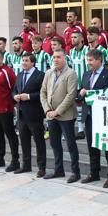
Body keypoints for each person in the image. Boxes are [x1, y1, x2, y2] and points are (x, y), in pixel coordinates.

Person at [78, 49, 108, 187]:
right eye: (87, 60)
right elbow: (80, 94)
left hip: (104, 117)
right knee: (92, 147)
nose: (88, 63)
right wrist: (81, 93)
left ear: (99, 60)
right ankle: (94, 173)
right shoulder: (86, 74)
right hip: (89, 116)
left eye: (90, 60)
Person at [41, 49, 79, 181]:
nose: (55, 59)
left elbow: (71, 95)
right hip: (50, 115)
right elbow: (43, 92)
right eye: (54, 57)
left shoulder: (71, 73)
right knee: (54, 143)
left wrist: (57, 111)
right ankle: (59, 170)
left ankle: (75, 172)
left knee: (70, 144)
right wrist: (47, 110)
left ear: (64, 58)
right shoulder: (49, 73)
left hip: (66, 115)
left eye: (58, 57)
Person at [12, 53, 46, 177]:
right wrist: (15, 96)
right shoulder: (20, 75)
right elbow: (15, 89)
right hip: (21, 114)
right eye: (23, 60)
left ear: (32, 62)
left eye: (26, 60)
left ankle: (42, 168)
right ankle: (26, 165)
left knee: (39, 142)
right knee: (24, 141)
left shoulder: (40, 75)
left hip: (35, 114)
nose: (24, 63)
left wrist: (29, 96)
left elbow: (43, 93)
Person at [69, 31, 89, 139]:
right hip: (74, 83)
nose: (72, 39)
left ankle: (84, 129)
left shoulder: (86, 50)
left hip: (84, 83)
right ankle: (80, 129)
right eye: (72, 37)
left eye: (75, 37)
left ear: (81, 39)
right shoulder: (71, 52)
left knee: (85, 106)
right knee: (78, 106)